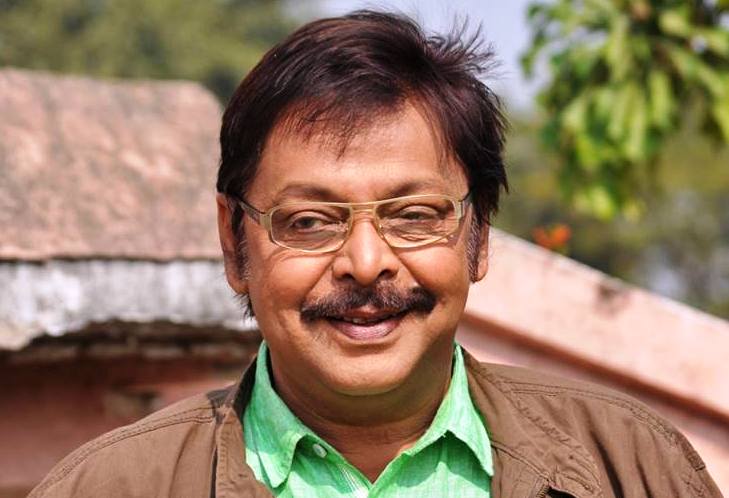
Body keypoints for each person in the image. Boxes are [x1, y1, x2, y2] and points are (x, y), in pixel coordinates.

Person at [30, 10, 721, 498]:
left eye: (413, 216)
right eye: (309, 222)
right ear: (234, 243)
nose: (365, 263)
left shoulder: (629, 466)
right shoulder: (108, 487)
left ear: (478, 233)